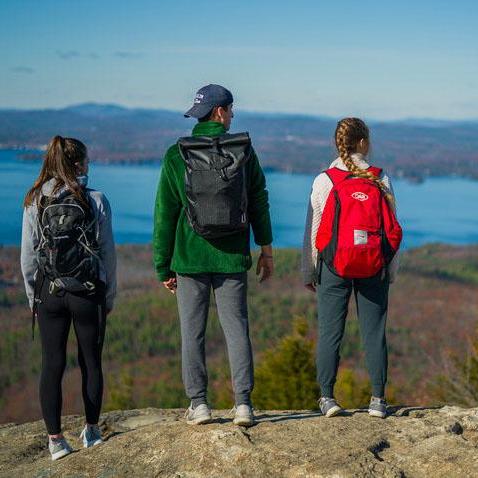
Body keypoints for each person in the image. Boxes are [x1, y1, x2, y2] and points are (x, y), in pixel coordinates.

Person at [153, 84, 273, 427]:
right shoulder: (244, 151)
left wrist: (163, 264)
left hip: (189, 258)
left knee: (192, 332)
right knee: (237, 329)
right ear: (221, 113)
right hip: (232, 256)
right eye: (231, 110)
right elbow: (259, 201)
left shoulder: (177, 154)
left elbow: (165, 214)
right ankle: (243, 405)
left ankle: (200, 404)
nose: (232, 116)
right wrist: (265, 249)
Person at [21, 136, 116, 460]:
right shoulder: (97, 200)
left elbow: (28, 258)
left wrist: (34, 297)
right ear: (79, 165)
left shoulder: (36, 200)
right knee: (90, 362)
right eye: (87, 161)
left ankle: (55, 441)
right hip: (87, 293)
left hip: (49, 292)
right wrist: (109, 295)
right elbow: (107, 254)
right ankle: (91, 431)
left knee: (52, 364)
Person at [302, 117, 401, 419]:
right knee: (374, 332)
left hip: (334, 267)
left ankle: (328, 398)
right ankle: (378, 399)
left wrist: (310, 271)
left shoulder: (325, 180)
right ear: (362, 143)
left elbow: (313, 230)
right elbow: (391, 230)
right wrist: (390, 271)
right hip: (374, 267)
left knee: (331, 331)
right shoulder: (380, 179)